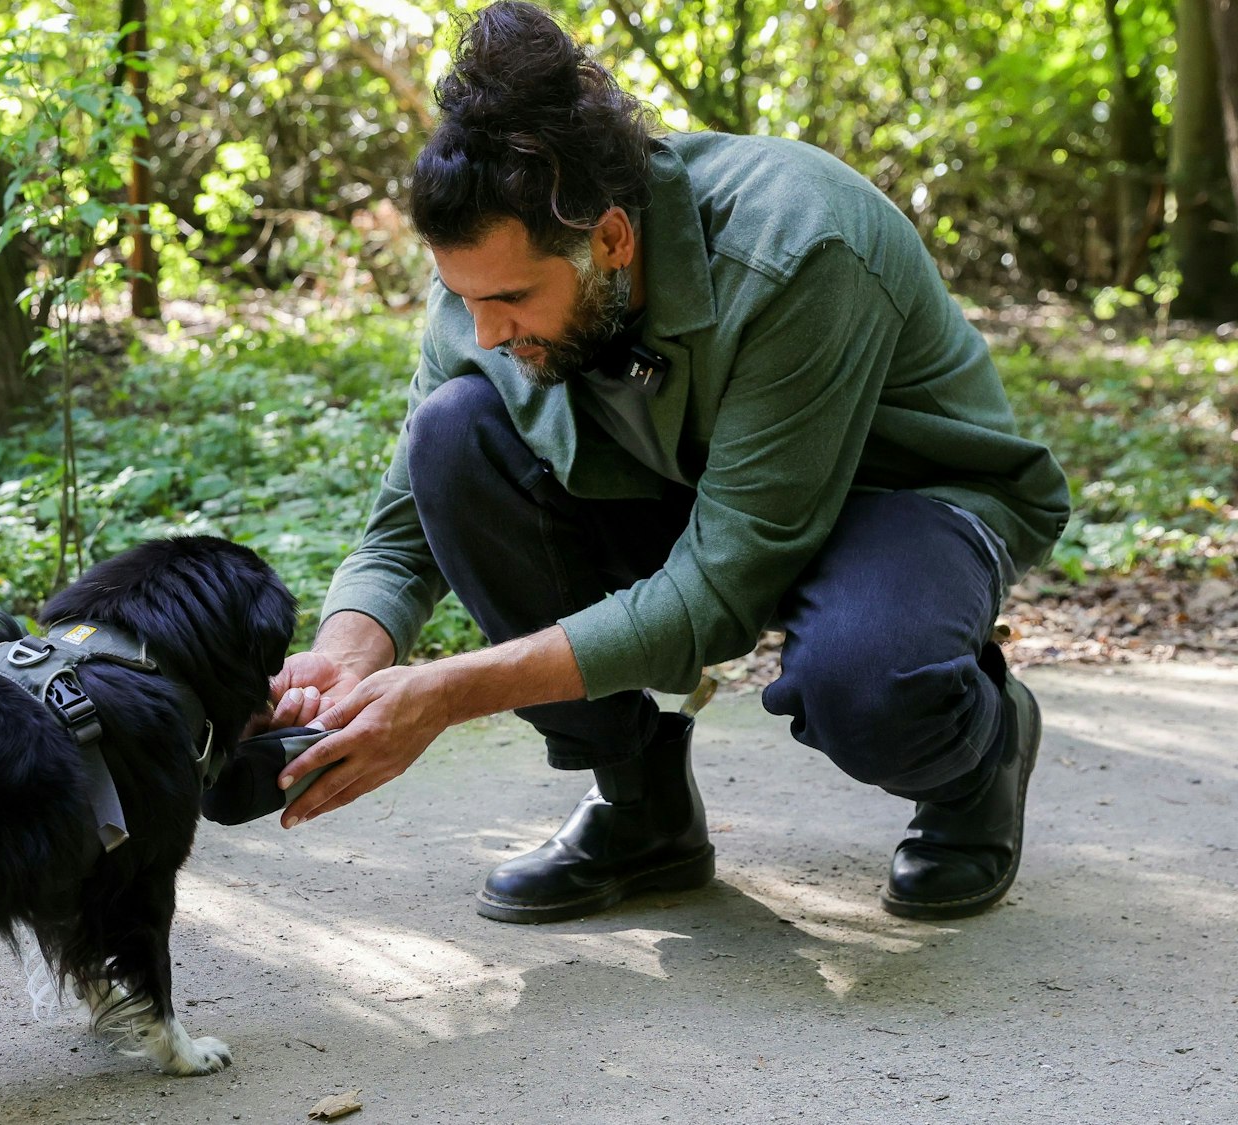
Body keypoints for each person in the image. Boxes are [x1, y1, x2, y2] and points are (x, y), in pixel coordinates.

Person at [264, 0, 1070, 923]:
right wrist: (347, 656)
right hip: (693, 486)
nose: (484, 332)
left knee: (868, 683)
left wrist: (445, 693)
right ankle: (640, 808)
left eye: (514, 299)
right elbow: (405, 523)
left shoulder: (799, 242)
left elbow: (715, 596)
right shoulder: (492, 276)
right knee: (453, 431)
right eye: (466, 299)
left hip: (900, 498)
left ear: (611, 238)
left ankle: (983, 753)